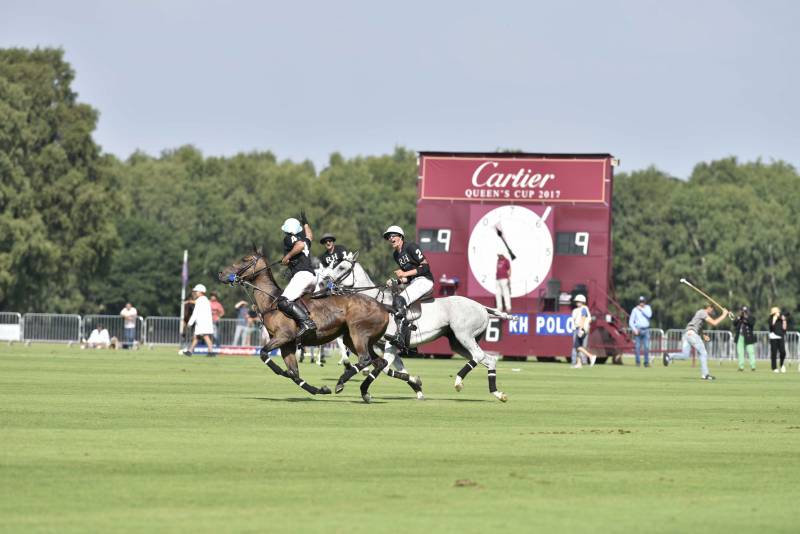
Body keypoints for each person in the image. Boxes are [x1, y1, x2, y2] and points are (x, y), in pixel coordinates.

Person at [383, 225, 434, 352]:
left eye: (393, 235)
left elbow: (426, 267)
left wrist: (404, 274)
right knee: (396, 300)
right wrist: (396, 281)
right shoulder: (396, 255)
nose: (390, 238)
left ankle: (401, 337)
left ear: (400, 237)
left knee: (400, 299)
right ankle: (409, 338)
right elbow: (409, 278)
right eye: (389, 237)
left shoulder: (411, 247)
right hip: (414, 282)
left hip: (425, 281)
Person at [664, 302, 730, 380]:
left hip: (687, 334)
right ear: (709, 307)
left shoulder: (700, 313)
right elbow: (714, 323)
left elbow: (697, 326)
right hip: (692, 334)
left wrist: (703, 334)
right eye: (713, 309)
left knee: (685, 356)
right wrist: (724, 315)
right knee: (703, 353)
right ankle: (705, 375)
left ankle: (669, 356)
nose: (713, 312)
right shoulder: (703, 312)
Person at [277, 212, 317, 339]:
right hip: (312, 277)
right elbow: (310, 236)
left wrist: (287, 256)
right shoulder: (304, 238)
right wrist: (305, 223)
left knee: (283, 301)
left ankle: (306, 322)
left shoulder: (289, 238)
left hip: (302, 276)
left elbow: (299, 246)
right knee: (297, 301)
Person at [183, 284, 215, 356]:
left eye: (196, 291)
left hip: (202, 323)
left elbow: (195, 313)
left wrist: (189, 323)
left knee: (205, 336)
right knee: (197, 337)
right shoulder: (205, 300)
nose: (195, 293)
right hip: (204, 322)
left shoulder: (200, 300)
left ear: (200, 292)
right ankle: (190, 351)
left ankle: (211, 351)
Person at [570, 294, 596, 368]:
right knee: (579, 346)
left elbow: (583, 318)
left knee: (577, 346)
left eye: (579, 301)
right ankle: (579, 363)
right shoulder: (583, 309)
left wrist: (581, 329)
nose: (577, 303)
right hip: (581, 329)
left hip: (580, 329)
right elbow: (589, 320)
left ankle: (591, 356)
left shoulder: (583, 309)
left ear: (582, 302)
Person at [629, 296, 652, 367]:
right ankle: (638, 362)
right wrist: (634, 330)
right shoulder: (635, 310)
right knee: (637, 347)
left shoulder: (648, 308)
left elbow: (649, 315)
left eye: (643, 301)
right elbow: (631, 321)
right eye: (640, 302)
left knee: (646, 347)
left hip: (646, 330)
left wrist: (642, 309)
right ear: (638, 302)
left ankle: (646, 362)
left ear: (645, 302)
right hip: (638, 330)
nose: (641, 303)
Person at [733, 306, 756, 372]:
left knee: (751, 352)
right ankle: (741, 366)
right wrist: (739, 317)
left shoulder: (751, 317)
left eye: (745, 311)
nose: (744, 313)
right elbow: (734, 323)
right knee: (740, 352)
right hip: (740, 337)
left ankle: (753, 366)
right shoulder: (739, 318)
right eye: (743, 311)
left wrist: (746, 317)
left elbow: (752, 323)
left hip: (748, 337)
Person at [768, 306, 788, 373]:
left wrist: (783, 319)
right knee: (774, 353)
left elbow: (788, 314)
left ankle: (782, 364)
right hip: (773, 337)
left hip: (781, 336)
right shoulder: (771, 318)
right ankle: (774, 367)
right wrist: (775, 318)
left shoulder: (781, 318)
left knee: (783, 352)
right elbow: (771, 326)